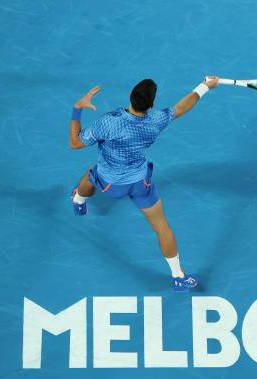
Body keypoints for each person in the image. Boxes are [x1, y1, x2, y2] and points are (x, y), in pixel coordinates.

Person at [67, 76, 219, 291]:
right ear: (151, 105)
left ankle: (78, 201)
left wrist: (77, 108)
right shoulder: (157, 120)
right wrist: (205, 86)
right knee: (162, 228)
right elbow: (181, 108)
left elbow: (75, 143)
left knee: (91, 176)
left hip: (110, 183)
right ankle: (178, 277)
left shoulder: (110, 121)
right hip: (140, 184)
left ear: (130, 96)